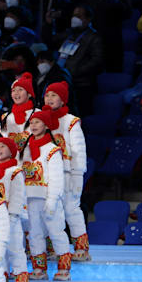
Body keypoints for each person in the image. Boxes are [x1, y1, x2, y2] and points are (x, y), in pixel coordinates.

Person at [22, 110, 71, 281]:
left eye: (37, 122)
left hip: (48, 199)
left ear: (46, 125)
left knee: (56, 231)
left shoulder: (52, 150)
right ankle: (38, 268)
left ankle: (64, 267)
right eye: (31, 123)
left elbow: (57, 179)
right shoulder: (25, 150)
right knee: (34, 233)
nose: (34, 126)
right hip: (30, 199)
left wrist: (52, 200)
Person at [43, 82, 89, 261]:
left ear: (63, 99)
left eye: (55, 95)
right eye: (47, 95)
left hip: (68, 173)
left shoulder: (71, 121)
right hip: (47, 174)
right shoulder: (41, 120)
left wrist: (78, 174)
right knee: (49, 210)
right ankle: (53, 247)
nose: (50, 99)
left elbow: (79, 149)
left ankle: (81, 247)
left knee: (71, 209)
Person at [43, 4, 103, 115]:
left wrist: (74, 72)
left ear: (88, 19)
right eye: (74, 15)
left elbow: (96, 61)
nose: (75, 18)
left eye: (79, 16)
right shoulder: (69, 34)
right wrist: (49, 24)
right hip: (61, 81)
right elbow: (50, 41)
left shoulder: (94, 37)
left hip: (80, 85)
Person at [0, 136, 29, 282]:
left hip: (10, 218)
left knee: (15, 250)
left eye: (2, 147)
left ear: (12, 151)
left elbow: (18, 194)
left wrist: (12, 215)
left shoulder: (15, 171)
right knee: (0, 252)